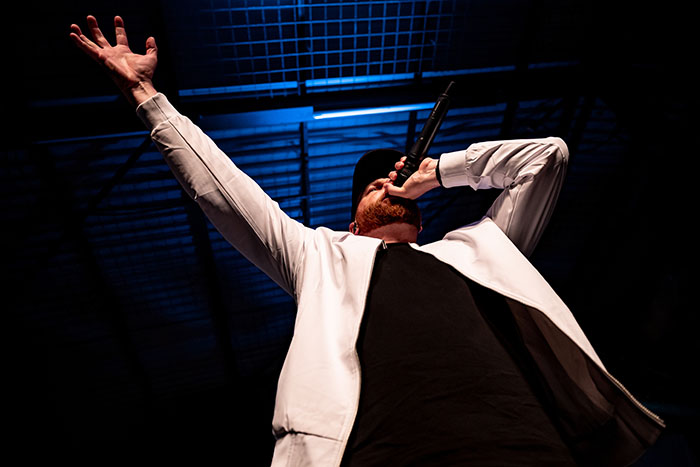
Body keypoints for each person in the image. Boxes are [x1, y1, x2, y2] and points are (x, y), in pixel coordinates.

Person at [70, 16, 664, 466]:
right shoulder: (319, 255)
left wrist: (439, 172)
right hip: (383, 452)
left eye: (392, 179)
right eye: (372, 186)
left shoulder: (479, 249)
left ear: (423, 218)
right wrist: (147, 98)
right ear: (353, 223)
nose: (386, 183)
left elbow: (546, 157)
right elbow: (223, 191)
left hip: (526, 447)